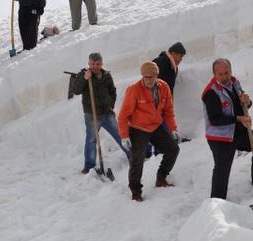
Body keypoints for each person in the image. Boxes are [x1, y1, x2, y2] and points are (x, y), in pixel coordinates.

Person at [202, 58, 253, 200]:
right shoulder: (211, 92)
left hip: (237, 132)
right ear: (214, 75)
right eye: (220, 74)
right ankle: (217, 202)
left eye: (226, 73)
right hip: (220, 137)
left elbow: (241, 106)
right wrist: (238, 119)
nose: (224, 77)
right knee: (222, 169)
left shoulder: (235, 83)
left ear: (231, 71)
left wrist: (247, 101)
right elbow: (215, 120)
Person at [118, 61, 180, 202]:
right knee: (137, 160)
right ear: (142, 76)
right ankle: (136, 192)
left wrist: (173, 129)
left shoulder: (164, 87)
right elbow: (123, 116)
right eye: (146, 77)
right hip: (137, 128)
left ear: (156, 76)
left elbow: (168, 111)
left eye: (151, 77)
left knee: (173, 150)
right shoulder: (134, 89)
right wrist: (124, 136)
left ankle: (161, 178)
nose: (149, 80)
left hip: (155, 126)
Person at [72, 52, 129, 174]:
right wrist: (84, 79)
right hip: (92, 115)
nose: (95, 66)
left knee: (121, 135)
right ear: (89, 63)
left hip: (107, 113)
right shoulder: (83, 74)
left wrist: (111, 106)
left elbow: (112, 91)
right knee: (91, 140)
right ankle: (89, 166)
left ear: (101, 64)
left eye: (98, 64)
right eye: (93, 64)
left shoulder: (106, 76)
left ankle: (133, 157)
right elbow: (76, 91)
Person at [147, 41, 186, 157]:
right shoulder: (160, 62)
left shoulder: (173, 67)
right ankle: (147, 152)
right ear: (173, 54)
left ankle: (161, 150)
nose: (181, 59)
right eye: (180, 56)